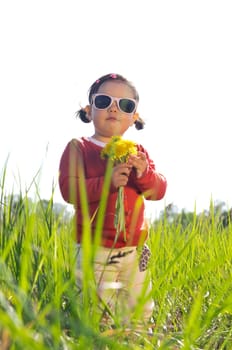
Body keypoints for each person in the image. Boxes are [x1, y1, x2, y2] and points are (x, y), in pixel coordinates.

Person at [58, 73, 167, 331]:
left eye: (125, 105)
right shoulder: (80, 147)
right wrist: (106, 182)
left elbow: (157, 191)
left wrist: (145, 174)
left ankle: (135, 338)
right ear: (89, 109)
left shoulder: (138, 153)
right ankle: (98, 339)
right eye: (105, 101)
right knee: (97, 309)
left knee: (138, 307)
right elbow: (69, 191)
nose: (114, 108)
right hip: (95, 248)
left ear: (134, 117)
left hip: (135, 248)